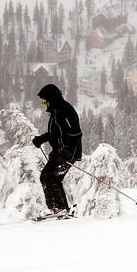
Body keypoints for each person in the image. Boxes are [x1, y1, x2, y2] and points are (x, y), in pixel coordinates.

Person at [31, 83, 82, 219]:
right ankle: (62, 209)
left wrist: (66, 151)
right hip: (60, 152)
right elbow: (55, 133)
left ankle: (56, 208)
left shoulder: (65, 110)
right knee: (54, 178)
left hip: (67, 153)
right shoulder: (56, 111)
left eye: (44, 100)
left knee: (48, 176)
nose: (43, 103)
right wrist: (41, 139)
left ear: (51, 98)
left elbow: (76, 133)